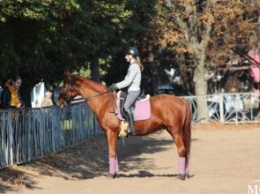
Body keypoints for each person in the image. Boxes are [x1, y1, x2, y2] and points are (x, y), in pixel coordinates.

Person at [109, 47, 144, 135]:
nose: (125, 57)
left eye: (127, 55)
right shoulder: (132, 66)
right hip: (130, 91)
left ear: (131, 56)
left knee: (126, 107)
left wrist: (116, 86)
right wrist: (117, 86)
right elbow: (126, 81)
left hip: (134, 91)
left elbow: (128, 82)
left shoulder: (134, 67)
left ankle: (132, 128)